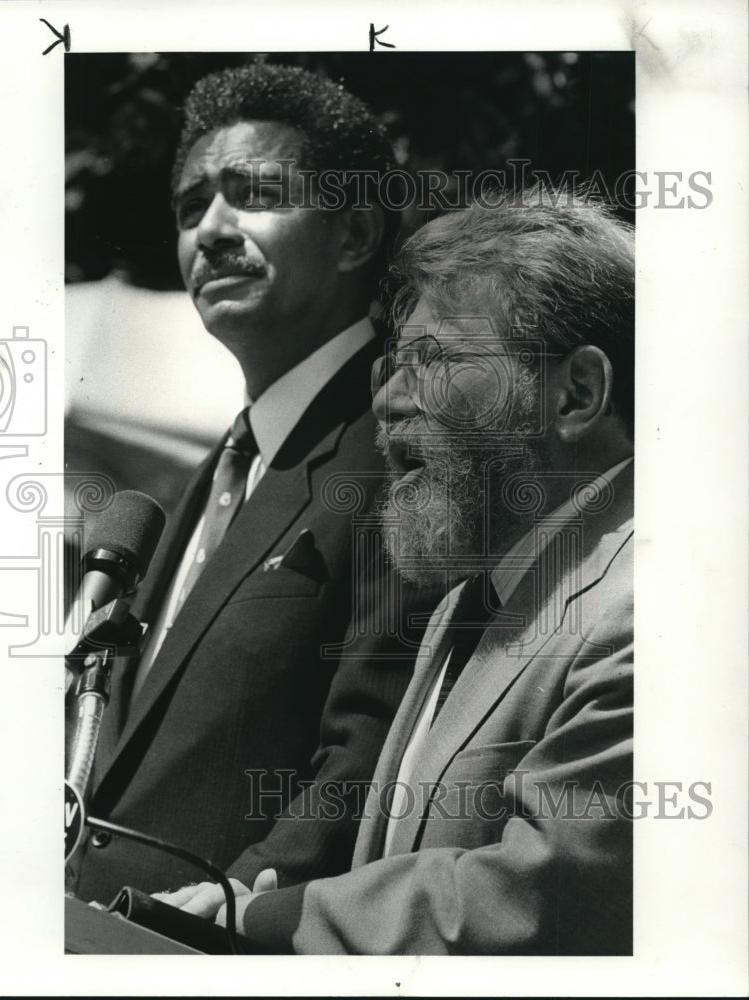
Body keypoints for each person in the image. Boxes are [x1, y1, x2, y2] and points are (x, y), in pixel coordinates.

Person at [159, 189, 636, 954]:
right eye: (391, 365)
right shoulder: (467, 602)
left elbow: (543, 892)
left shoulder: (649, 608)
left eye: (432, 362)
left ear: (575, 393)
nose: (386, 400)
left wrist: (268, 918)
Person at [70, 62, 440, 904]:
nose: (211, 229)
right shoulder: (216, 473)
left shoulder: (400, 451)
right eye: (190, 206)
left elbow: (376, 742)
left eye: (255, 192)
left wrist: (234, 911)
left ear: (353, 236)